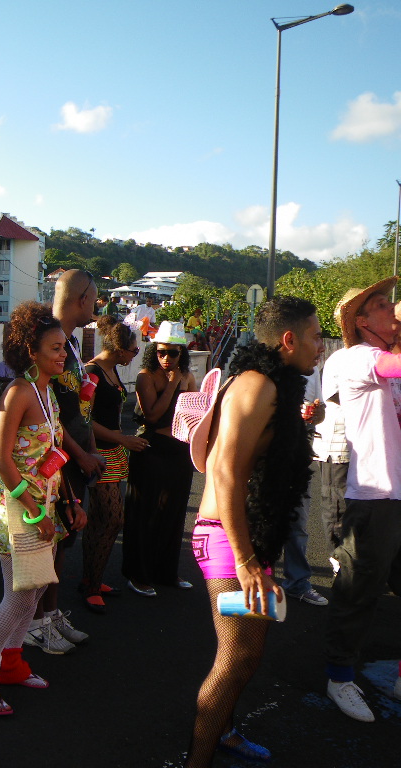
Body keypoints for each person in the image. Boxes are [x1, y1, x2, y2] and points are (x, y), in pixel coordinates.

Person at [185, 296, 323, 766]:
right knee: (236, 657)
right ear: (288, 340)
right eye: (315, 336)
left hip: (243, 536)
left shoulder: (270, 385)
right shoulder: (257, 383)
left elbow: (262, 446)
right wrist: (245, 562)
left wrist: (298, 425)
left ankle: (224, 731)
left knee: (247, 652)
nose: (320, 346)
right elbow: (224, 470)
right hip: (227, 539)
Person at [0, 302, 82, 716]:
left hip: (43, 509)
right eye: (55, 348)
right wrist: (35, 513)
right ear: (31, 352)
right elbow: (0, 458)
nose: (63, 354)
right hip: (18, 510)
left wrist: (70, 502)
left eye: (64, 347)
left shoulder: (47, 392)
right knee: (17, 598)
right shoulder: (19, 392)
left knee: (32, 593)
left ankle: (11, 666)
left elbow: (52, 455)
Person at [323, 277, 401, 722]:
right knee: (358, 592)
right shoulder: (356, 358)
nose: (393, 310)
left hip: (397, 495)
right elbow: (392, 366)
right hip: (374, 495)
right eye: (383, 305)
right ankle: (339, 677)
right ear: (362, 321)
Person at [22, 269, 100, 654]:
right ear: (82, 298)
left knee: (62, 544)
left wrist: (89, 447)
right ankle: (34, 622)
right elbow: (48, 412)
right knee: (47, 544)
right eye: (94, 300)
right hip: (56, 462)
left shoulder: (69, 343)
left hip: (73, 459)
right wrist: (81, 453)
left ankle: (50, 615)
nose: (96, 308)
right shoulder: (49, 343)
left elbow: (78, 406)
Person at [123, 321, 197, 596]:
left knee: (173, 513)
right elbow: (152, 415)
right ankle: (138, 574)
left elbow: (193, 413)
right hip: (152, 449)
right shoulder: (146, 376)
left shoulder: (188, 376)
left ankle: (166, 572)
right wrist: (173, 383)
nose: (166, 358)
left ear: (182, 353)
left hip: (179, 450)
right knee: (145, 514)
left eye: (173, 353)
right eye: (161, 352)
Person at [81, 315, 147, 613]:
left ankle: (92, 579)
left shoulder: (110, 369)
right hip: (99, 452)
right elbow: (84, 421)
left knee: (102, 521)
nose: (134, 356)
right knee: (111, 519)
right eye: (134, 351)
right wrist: (122, 439)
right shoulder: (92, 372)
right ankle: (91, 584)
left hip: (113, 451)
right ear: (120, 350)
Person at [279, 368, 329, 606]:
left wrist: (317, 414)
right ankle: (253, 582)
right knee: (259, 520)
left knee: (297, 521)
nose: (320, 350)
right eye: (316, 348)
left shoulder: (312, 371)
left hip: (300, 449)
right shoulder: (265, 370)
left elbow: (319, 412)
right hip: (268, 451)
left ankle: (296, 582)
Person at [311, 347, 350, 562]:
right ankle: (339, 562)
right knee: (337, 507)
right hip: (338, 446)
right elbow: (336, 395)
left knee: (358, 507)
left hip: (364, 447)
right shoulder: (341, 358)